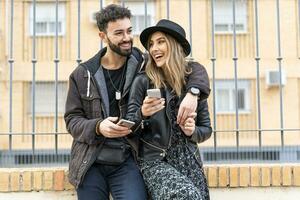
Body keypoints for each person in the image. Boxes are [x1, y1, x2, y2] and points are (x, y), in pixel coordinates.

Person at [64, 4, 210, 200]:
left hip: (127, 157)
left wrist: (193, 93)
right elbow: (72, 120)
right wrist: (98, 127)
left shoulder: (143, 63)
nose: (126, 38)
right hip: (90, 159)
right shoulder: (83, 74)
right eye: (118, 33)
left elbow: (190, 67)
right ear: (103, 36)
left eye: (129, 31)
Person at [126, 19, 212, 200]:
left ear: (175, 45)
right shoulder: (142, 81)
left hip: (189, 160)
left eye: (161, 41)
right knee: (186, 195)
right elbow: (128, 127)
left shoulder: (194, 85)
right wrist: (143, 113)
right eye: (151, 44)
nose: (154, 48)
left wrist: (192, 131)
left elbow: (206, 129)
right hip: (154, 160)